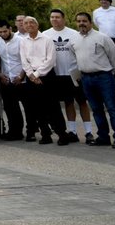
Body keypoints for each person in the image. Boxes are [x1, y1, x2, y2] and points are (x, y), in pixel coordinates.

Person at [71, 12, 115, 148]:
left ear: (90, 22)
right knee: (96, 109)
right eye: (79, 21)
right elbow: (75, 57)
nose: (81, 23)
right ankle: (103, 137)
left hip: (104, 77)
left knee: (112, 108)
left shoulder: (102, 37)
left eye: (84, 21)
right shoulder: (74, 39)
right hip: (86, 78)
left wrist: (112, 72)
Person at [18, 16, 72, 145]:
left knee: (53, 106)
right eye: (26, 23)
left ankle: (61, 134)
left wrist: (37, 74)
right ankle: (45, 134)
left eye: (32, 22)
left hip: (47, 76)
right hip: (31, 77)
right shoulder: (23, 41)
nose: (29, 25)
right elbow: (24, 60)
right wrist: (31, 75)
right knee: (37, 107)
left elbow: (50, 60)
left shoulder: (47, 40)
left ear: (37, 25)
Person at [44, 9, 95, 144]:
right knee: (68, 102)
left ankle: (89, 132)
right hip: (58, 75)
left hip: (74, 74)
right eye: (52, 17)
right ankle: (72, 132)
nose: (55, 19)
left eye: (57, 17)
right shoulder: (45, 35)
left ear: (64, 18)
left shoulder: (74, 34)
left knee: (82, 102)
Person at [0, 19, 26, 141]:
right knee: (10, 107)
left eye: (5, 31)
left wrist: (21, 76)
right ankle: (14, 131)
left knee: (27, 107)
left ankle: (30, 130)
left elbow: (26, 60)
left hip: (21, 79)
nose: (3, 34)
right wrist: (0, 74)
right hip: (6, 79)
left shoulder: (21, 41)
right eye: (0, 32)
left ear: (10, 29)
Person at [91, 0, 115, 81]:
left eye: (105, 0)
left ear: (109, 1)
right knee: (108, 58)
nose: (103, 1)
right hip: (105, 40)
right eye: (101, 0)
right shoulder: (96, 12)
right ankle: (111, 76)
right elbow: (96, 24)